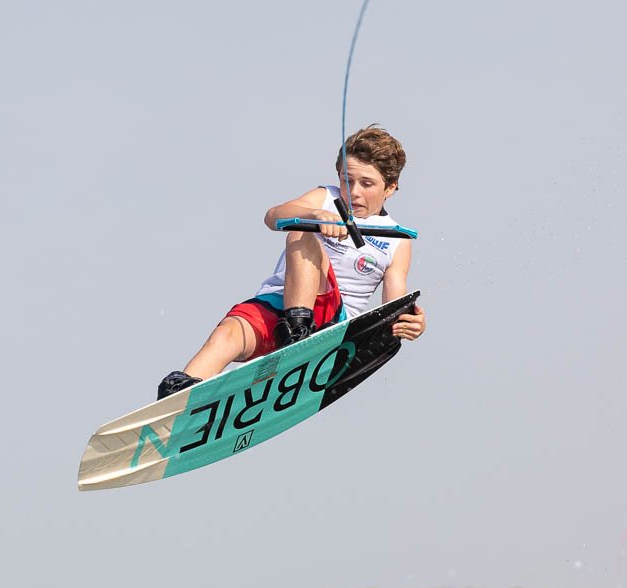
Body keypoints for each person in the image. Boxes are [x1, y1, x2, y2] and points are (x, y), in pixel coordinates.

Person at [157, 125, 426, 402]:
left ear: (390, 188)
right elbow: (273, 216)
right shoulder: (325, 199)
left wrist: (411, 323)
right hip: (278, 307)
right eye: (347, 180)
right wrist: (316, 215)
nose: (354, 192)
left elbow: (393, 306)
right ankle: (176, 404)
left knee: (303, 230)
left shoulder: (398, 240)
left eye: (366, 184)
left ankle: (300, 335)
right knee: (228, 334)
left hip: (330, 324)